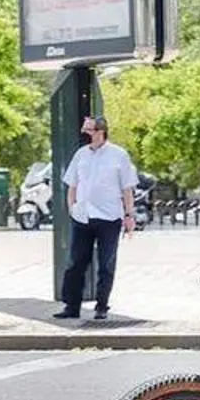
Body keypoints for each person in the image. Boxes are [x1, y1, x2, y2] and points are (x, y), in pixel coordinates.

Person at [53, 117, 138, 320]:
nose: (86, 133)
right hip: (83, 216)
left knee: (106, 263)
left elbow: (127, 189)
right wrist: (72, 208)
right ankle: (71, 306)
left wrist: (129, 215)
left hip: (109, 217)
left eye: (89, 129)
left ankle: (101, 306)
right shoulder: (81, 155)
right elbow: (72, 184)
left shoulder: (119, 155)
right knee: (75, 262)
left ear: (101, 131)